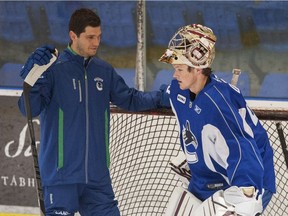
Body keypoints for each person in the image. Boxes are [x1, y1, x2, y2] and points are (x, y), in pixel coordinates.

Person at [18, 8, 168, 216]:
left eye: (98, 36)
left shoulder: (103, 71)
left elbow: (130, 99)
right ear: (73, 36)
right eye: (90, 37)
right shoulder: (52, 70)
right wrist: (32, 80)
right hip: (61, 177)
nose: (96, 42)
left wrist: (161, 97)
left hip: (97, 178)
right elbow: (27, 108)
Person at [159, 24, 276, 215]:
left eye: (179, 68)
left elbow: (242, 148)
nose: (175, 74)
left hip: (250, 178)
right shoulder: (182, 89)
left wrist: (246, 193)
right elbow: (161, 96)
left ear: (197, 69)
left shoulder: (219, 104)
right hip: (214, 179)